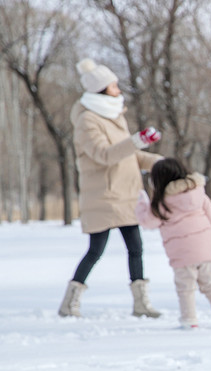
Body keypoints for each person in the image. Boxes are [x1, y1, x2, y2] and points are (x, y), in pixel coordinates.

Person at [59, 58, 163, 318]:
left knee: (136, 248)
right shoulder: (87, 121)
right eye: (114, 85)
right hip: (104, 196)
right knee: (96, 250)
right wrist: (138, 140)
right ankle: (69, 302)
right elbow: (104, 155)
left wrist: (161, 164)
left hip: (126, 194)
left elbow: (130, 156)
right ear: (101, 89)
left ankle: (141, 304)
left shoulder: (115, 115)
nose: (118, 89)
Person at [135, 158, 211, 329]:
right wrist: (208, 237)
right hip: (205, 248)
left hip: (182, 253)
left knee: (185, 287)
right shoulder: (198, 192)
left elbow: (147, 222)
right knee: (209, 283)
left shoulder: (163, 202)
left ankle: (189, 320)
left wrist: (142, 203)